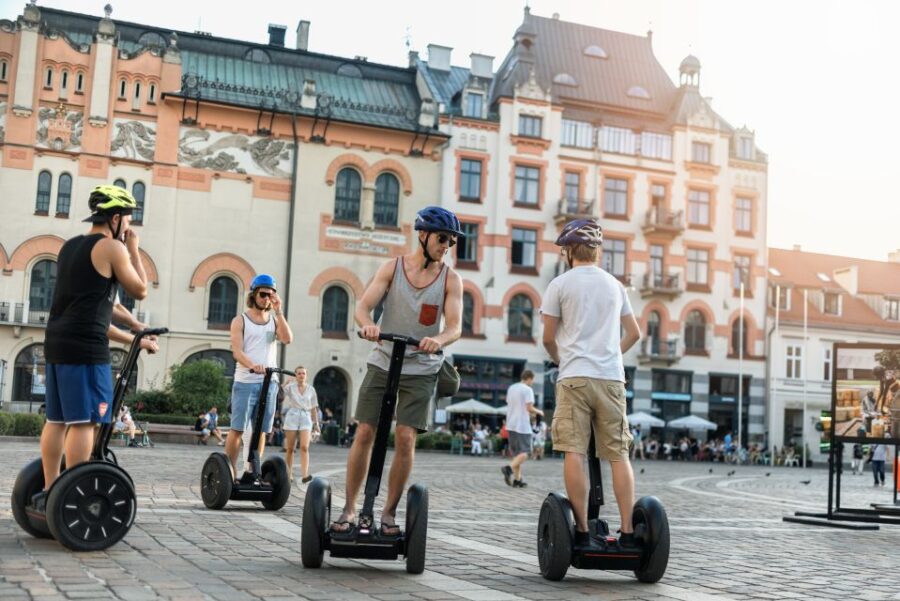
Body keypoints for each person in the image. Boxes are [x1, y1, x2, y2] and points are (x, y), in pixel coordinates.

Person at [331, 206, 464, 535]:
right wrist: (367, 326)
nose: (446, 245)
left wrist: (438, 338)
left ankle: (389, 513)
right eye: (442, 238)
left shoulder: (451, 279)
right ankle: (349, 509)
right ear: (423, 235)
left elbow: (456, 326)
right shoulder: (392, 268)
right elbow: (363, 307)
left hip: (422, 367)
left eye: (451, 241)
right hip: (383, 361)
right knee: (365, 432)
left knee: (405, 439)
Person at [30, 185, 158, 515]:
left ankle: (51, 490)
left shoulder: (71, 247)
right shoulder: (112, 248)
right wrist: (133, 249)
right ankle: (74, 492)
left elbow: (99, 301)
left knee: (57, 419)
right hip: (86, 349)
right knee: (86, 421)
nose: (130, 227)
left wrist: (134, 327)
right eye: (128, 220)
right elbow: (141, 289)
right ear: (115, 219)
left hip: (57, 341)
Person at [541, 218, 642, 548]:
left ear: (569, 252)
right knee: (618, 454)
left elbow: (547, 338)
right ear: (598, 251)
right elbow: (634, 333)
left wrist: (562, 359)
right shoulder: (615, 285)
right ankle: (627, 532)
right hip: (611, 378)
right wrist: (611, 354)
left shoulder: (560, 284)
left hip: (575, 378)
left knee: (575, 452)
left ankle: (583, 531)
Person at [224, 274, 293, 476]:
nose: (267, 299)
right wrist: (253, 365)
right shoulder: (240, 320)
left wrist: (279, 310)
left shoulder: (274, 321)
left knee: (261, 430)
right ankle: (229, 472)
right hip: (246, 381)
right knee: (237, 429)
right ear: (254, 295)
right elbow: (237, 352)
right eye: (263, 294)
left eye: (271, 295)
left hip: (269, 383)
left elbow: (287, 339)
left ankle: (251, 471)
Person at [501, 370, 543, 487]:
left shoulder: (511, 388)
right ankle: (508, 468)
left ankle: (517, 480)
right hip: (522, 426)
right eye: (532, 380)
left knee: (517, 455)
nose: (532, 382)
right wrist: (539, 412)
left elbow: (511, 404)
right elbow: (529, 408)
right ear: (529, 378)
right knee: (525, 453)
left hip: (510, 424)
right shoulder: (527, 389)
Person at [282, 366, 321, 483]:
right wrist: (285, 383)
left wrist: (316, 424)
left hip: (305, 417)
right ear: (295, 375)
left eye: (303, 373)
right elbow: (278, 394)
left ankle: (305, 475)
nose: (301, 375)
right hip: (292, 416)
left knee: (304, 447)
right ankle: (288, 474)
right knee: (290, 449)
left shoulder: (311, 389)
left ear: (306, 375)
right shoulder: (290, 387)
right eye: (299, 373)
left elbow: (314, 408)